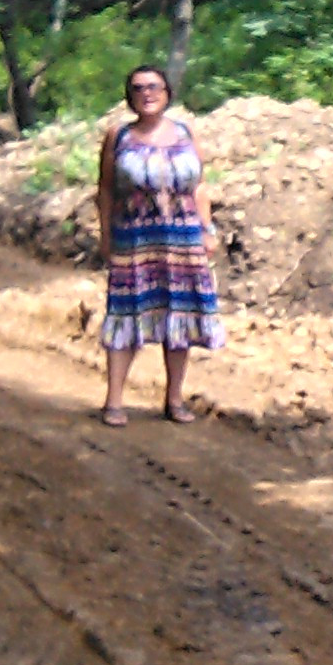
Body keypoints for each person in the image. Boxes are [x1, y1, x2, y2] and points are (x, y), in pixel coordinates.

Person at [95, 65, 223, 423]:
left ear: (167, 93)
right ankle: (114, 402)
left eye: (154, 86)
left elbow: (200, 185)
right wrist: (105, 235)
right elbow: (105, 190)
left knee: (179, 317)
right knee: (126, 315)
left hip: (182, 238)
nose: (146, 93)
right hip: (134, 238)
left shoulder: (185, 132)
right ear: (129, 95)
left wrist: (207, 229)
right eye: (138, 88)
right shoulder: (118, 136)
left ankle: (174, 400)